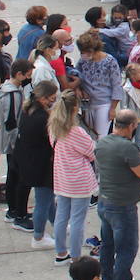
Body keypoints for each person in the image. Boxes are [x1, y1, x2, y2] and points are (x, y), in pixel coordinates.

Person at [94, 110, 140, 280]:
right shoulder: (128, 148)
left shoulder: (102, 142)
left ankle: (107, 278)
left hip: (104, 201)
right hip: (122, 204)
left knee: (107, 243)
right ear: (131, 126)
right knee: (127, 247)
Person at [50, 83, 97, 264]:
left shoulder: (53, 128)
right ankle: (76, 256)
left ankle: (60, 253)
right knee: (78, 219)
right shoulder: (77, 132)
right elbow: (93, 153)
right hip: (79, 180)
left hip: (62, 178)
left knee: (61, 216)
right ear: (75, 108)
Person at [12, 84, 58, 246]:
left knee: (48, 198)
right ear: (43, 98)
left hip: (29, 161)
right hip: (41, 165)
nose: (54, 100)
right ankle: (38, 237)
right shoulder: (42, 118)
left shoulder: (28, 111)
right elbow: (52, 140)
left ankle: (57, 223)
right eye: (52, 97)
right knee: (43, 201)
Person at [0, 58, 35, 231]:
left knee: (13, 176)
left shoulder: (7, 90)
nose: (29, 78)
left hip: (10, 141)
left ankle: (14, 210)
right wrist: (18, 142)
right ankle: (18, 213)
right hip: (14, 142)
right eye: (27, 75)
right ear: (19, 74)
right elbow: (11, 121)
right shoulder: (13, 94)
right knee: (19, 178)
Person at [77, 32, 122, 137]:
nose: (82, 55)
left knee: (101, 136)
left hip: (104, 104)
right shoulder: (83, 61)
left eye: (84, 52)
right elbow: (77, 77)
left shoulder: (110, 61)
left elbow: (116, 85)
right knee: (88, 136)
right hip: (87, 104)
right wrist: (79, 90)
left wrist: (112, 108)